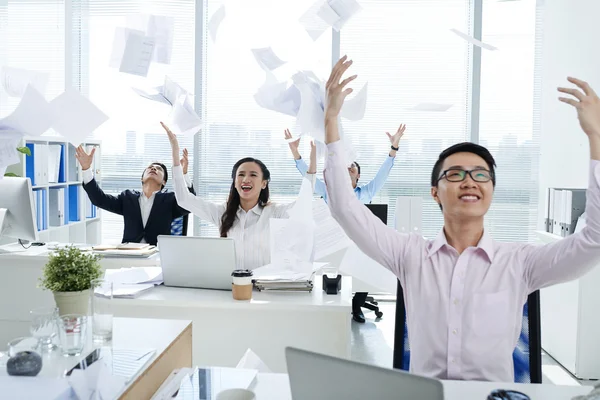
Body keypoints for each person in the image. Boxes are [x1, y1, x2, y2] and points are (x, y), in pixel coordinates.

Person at [322, 55, 600, 382]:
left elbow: (593, 241)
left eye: (480, 174)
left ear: (491, 191)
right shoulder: (409, 255)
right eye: (455, 174)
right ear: (435, 193)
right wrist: (331, 119)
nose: (469, 181)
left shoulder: (520, 263)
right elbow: (344, 206)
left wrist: (596, 138)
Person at [285, 126, 406, 323]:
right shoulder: (327, 191)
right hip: (332, 243)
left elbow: (383, 173)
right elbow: (308, 176)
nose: (349, 168)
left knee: (369, 261)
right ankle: (329, 304)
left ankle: (356, 305)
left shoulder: (366, 193)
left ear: (358, 175)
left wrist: (394, 148)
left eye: (353, 167)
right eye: (345, 166)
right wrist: (296, 153)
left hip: (359, 243)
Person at [160, 122, 316, 271]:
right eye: (241, 175)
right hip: (232, 287)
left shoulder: (274, 212)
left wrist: (307, 162)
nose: (246, 179)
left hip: (263, 288)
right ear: (235, 183)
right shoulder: (222, 212)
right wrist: (175, 152)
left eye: (253, 175)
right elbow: (184, 199)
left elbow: (304, 203)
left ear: (263, 183)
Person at [76, 145, 195, 246]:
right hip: (130, 254)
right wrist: (86, 169)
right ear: (142, 178)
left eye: (159, 169)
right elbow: (99, 200)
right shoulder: (128, 197)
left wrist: (183, 173)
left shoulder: (170, 200)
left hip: (159, 255)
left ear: (164, 182)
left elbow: (190, 203)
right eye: (150, 168)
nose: (153, 168)